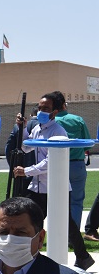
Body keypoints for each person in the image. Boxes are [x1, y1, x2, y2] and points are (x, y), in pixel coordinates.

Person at [12, 92, 94, 270]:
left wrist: (26, 171)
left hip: (56, 187)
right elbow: (26, 147)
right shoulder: (37, 128)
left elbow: (51, 161)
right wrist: (22, 128)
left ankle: (80, 257)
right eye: (39, 107)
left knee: (61, 223)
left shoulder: (58, 131)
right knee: (32, 219)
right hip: (38, 187)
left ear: (55, 112)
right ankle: (82, 257)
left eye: (46, 108)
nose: (41, 111)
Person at [51, 92, 92, 229]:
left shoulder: (50, 122)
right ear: (64, 105)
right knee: (76, 202)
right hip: (76, 164)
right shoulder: (77, 120)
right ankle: (73, 235)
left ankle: (58, 232)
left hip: (55, 165)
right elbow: (87, 143)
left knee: (56, 201)